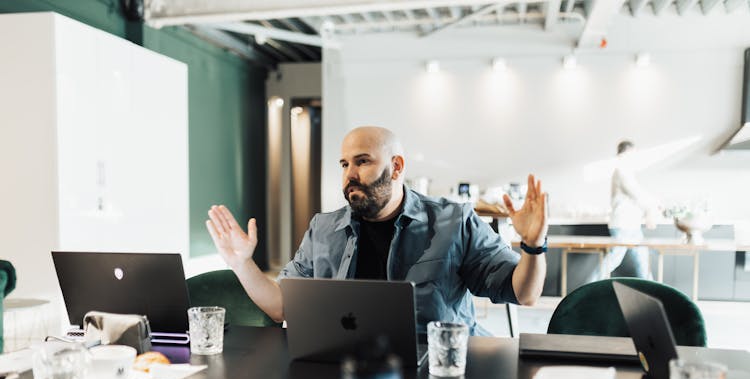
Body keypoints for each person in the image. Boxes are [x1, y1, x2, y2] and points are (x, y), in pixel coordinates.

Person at [206, 126, 548, 336]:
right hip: (346, 367)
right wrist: (242, 263)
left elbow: (524, 294)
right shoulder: (323, 228)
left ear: (396, 167)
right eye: (344, 164)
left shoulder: (454, 221)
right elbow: (283, 307)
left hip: (437, 368)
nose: (350, 174)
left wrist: (533, 246)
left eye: (362, 161)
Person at [599, 140, 659, 280]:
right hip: (622, 225)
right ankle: (588, 289)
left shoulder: (625, 172)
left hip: (631, 224)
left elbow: (639, 195)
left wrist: (652, 207)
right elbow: (637, 194)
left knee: (642, 260)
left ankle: (652, 291)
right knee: (614, 260)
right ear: (626, 153)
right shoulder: (621, 171)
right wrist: (652, 207)